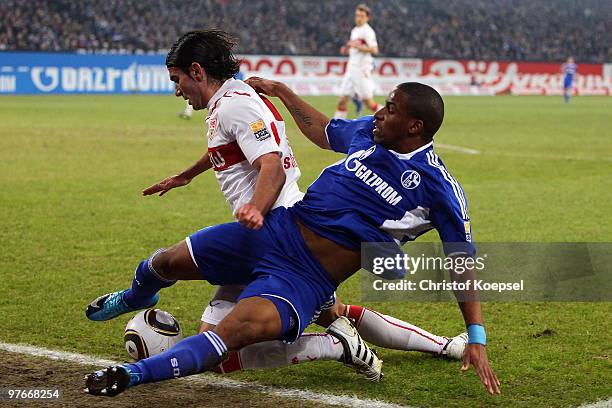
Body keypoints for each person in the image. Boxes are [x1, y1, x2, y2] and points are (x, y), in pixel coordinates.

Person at [84, 76, 500, 396]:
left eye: (389, 109)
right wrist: (284, 92)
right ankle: (137, 296)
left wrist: (477, 336)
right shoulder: (367, 135)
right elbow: (323, 131)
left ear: (415, 125)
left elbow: (460, 263)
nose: (378, 113)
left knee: (229, 334)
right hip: (273, 231)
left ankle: (131, 375)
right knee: (165, 262)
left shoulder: (439, 189)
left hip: (304, 277)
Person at [334, 4, 381, 119]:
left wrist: (356, 46)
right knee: (342, 100)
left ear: (367, 18)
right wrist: (347, 49)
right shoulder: (355, 30)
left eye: (361, 16)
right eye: (357, 15)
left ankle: (390, 120)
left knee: (369, 103)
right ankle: (334, 129)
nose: (358, 18)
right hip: (351, 70)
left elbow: (375, 50)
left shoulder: (368, 31)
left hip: (361, 70)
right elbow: (355, 48)